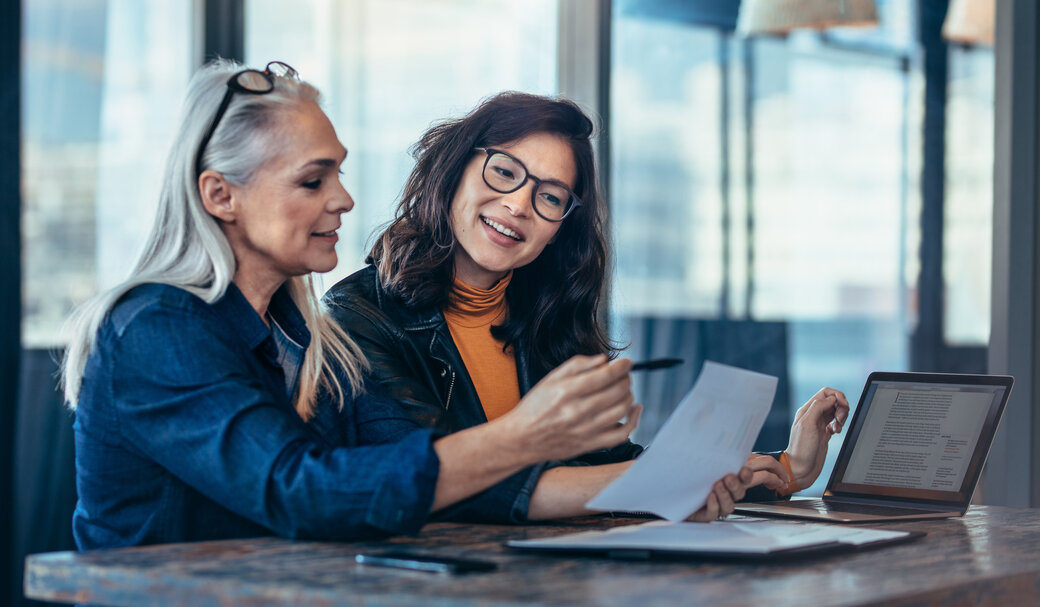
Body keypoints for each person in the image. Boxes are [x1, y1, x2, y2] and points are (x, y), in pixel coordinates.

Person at [62, 61, 752, 551]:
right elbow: (303, 492)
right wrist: (525, 435)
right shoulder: (157, 329)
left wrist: (701, 477)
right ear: (220, 196)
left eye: (338, 170)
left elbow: (411, 471)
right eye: (313, 179)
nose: (343, 199)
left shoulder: (302, 337)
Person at [323, 91, 850, 498]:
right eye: (504, 171)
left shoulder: (547, 315)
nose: (518, 205)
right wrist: (667, 485)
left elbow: (605, 465)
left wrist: (786, 468)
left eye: (549, 196)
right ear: (454, 169)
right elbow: (436, 480)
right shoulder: (356, 317)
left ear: (560, 226)